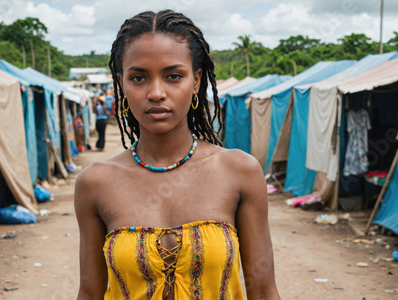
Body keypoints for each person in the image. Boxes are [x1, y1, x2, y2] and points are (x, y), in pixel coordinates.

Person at [74, 10, 280, 300]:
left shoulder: (239, 171)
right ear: (122, 84)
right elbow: (90, 292)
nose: (156, 92)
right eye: (138, 78)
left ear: (196, 81)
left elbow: (264, 291)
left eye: (173, 76)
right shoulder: (95, 183)